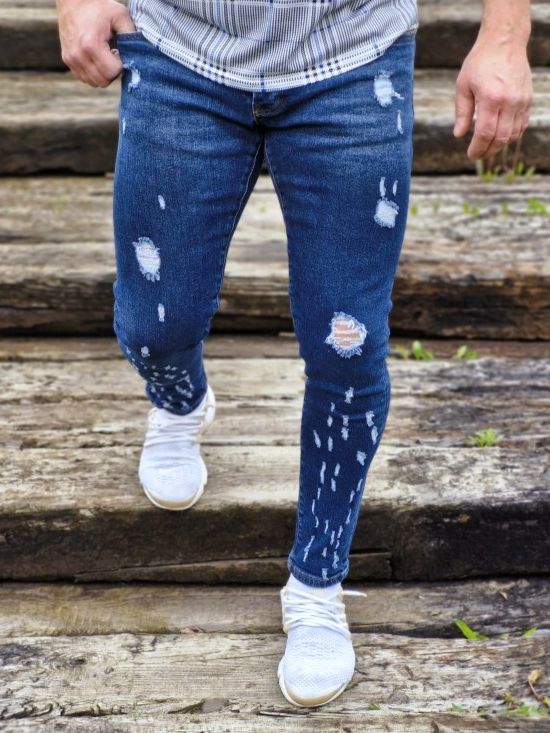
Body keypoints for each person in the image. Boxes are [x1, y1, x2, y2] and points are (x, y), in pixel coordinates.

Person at [57, 0, 533, 708]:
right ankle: (180, 400)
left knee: (348, 346)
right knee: (155, 324)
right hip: (179, 45)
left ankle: (316, 583)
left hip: (353, 55)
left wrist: (505, 33)